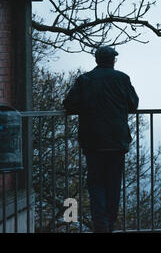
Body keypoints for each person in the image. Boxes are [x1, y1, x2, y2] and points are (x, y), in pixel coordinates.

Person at [63, 46, 139, 233]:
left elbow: (69, 104)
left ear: (97, 60)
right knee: (113, 184)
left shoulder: (85, 80)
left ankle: (102, 226)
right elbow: (133, 104)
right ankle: (109, 224)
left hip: (93, 141)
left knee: (96, 184)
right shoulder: (122, 78)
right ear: (113, 60)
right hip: (116, 140)